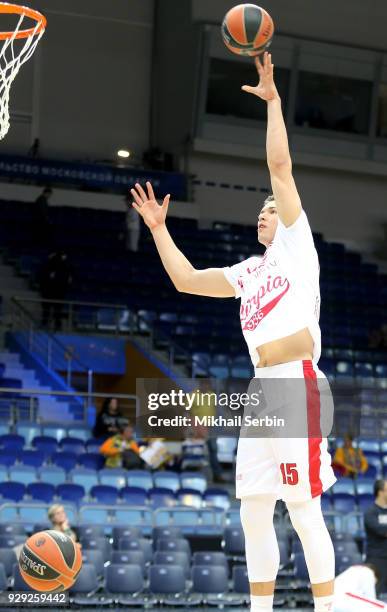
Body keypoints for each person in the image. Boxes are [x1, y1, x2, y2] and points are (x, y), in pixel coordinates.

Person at [131, 51, 336, 612]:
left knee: (302, 509)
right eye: (262, 213)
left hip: (296, 381)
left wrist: (272, 104)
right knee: (252, 508)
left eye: (269, 210)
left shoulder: (297, 245)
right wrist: (158, 231)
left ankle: (326, 607)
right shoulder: (249, 270)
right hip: (261, 390)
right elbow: (187, 281)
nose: (262, 214)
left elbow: (280, 170)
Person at [39, 250, 73, 329]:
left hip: (59, 292)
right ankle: (46, 323)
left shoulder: (65, 267)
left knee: (57, 310)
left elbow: (68, 280)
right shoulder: (49, 265)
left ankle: (56, 325)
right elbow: (43, 277)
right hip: (49, 292)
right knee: (47, 310)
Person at [364, 479, 387, 595]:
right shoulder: (370, 512)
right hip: (376, 558)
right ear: (380, 492)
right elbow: (381, 531)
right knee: (374, 593)